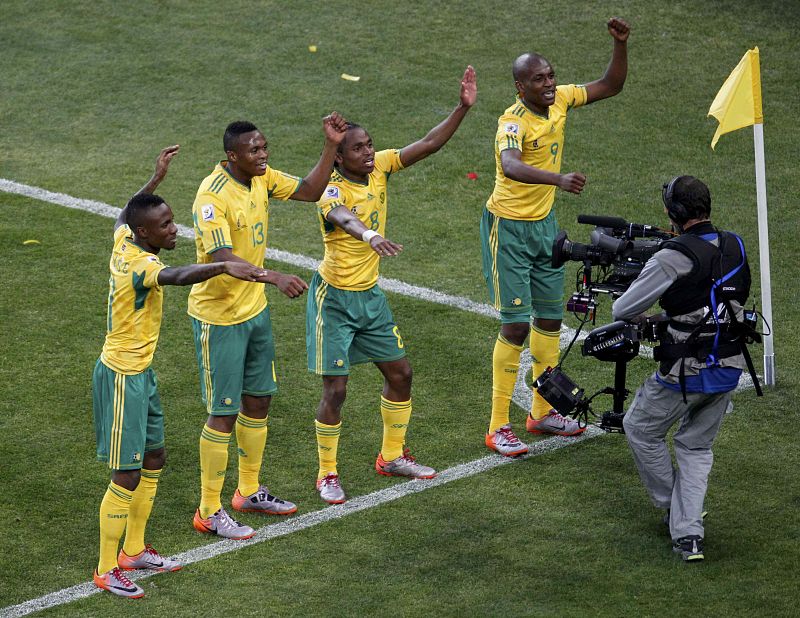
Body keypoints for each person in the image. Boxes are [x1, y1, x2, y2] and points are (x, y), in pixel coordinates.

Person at [93, 146, 271, 598]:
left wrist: (153, 181)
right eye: (166, 225)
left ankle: (134, 550)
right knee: (126, 473)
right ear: (145, 233)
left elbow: (121, 217)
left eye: (172, 220)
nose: (175, 229)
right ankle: (105, 568)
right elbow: (177, 276)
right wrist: (225, 264)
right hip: (121, 377)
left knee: (154, 460)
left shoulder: (124, 238)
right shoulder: (142, 263)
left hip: (143, 373)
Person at [308, 66, 477, 504]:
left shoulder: (380, 166)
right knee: (337, 389)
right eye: (358, 148)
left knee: (400, 374)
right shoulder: (329, 190)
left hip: (370, 297)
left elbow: (428, 144)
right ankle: (327, 473)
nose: (369, 152)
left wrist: (462, 108)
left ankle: (391, 456)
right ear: (340, 157)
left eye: (370, 145)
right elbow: (344, 220)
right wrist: (369, 235)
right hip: (334, 299)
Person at [189, 114, 348, 538]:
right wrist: (274, 276)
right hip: (219, 318)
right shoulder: (212, 196)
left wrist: (331, 145)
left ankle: (248, 491)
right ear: (232, 156)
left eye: (264, 148)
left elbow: (311, 191)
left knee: (258, 401)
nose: (263, 155)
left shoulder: (260, 178)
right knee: (223, 412)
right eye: (254, 150)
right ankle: (208, 509)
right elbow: (224, 257)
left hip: (253, 311)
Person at [481, 18, 630, 457]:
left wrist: (619, 45)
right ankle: (497, 426)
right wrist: (557, 179)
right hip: (507, 229)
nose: (549, 84)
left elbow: (611, 84)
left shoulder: (562, 99)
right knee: (513, 326)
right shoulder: (511, 122)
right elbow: (510, 166)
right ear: (519, 86)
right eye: (538, 79)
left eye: (550, 75)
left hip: (545, 228)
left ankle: (542, 412)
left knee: (548, 321)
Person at [613, 176, 752, 562]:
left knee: (640, 428)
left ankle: (677, 511)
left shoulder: (671, 256)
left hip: (685, 372)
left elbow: (622, 309)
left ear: (673, 213)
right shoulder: (734, 244)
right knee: (695, 446)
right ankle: (688, 534)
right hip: (730, 367)